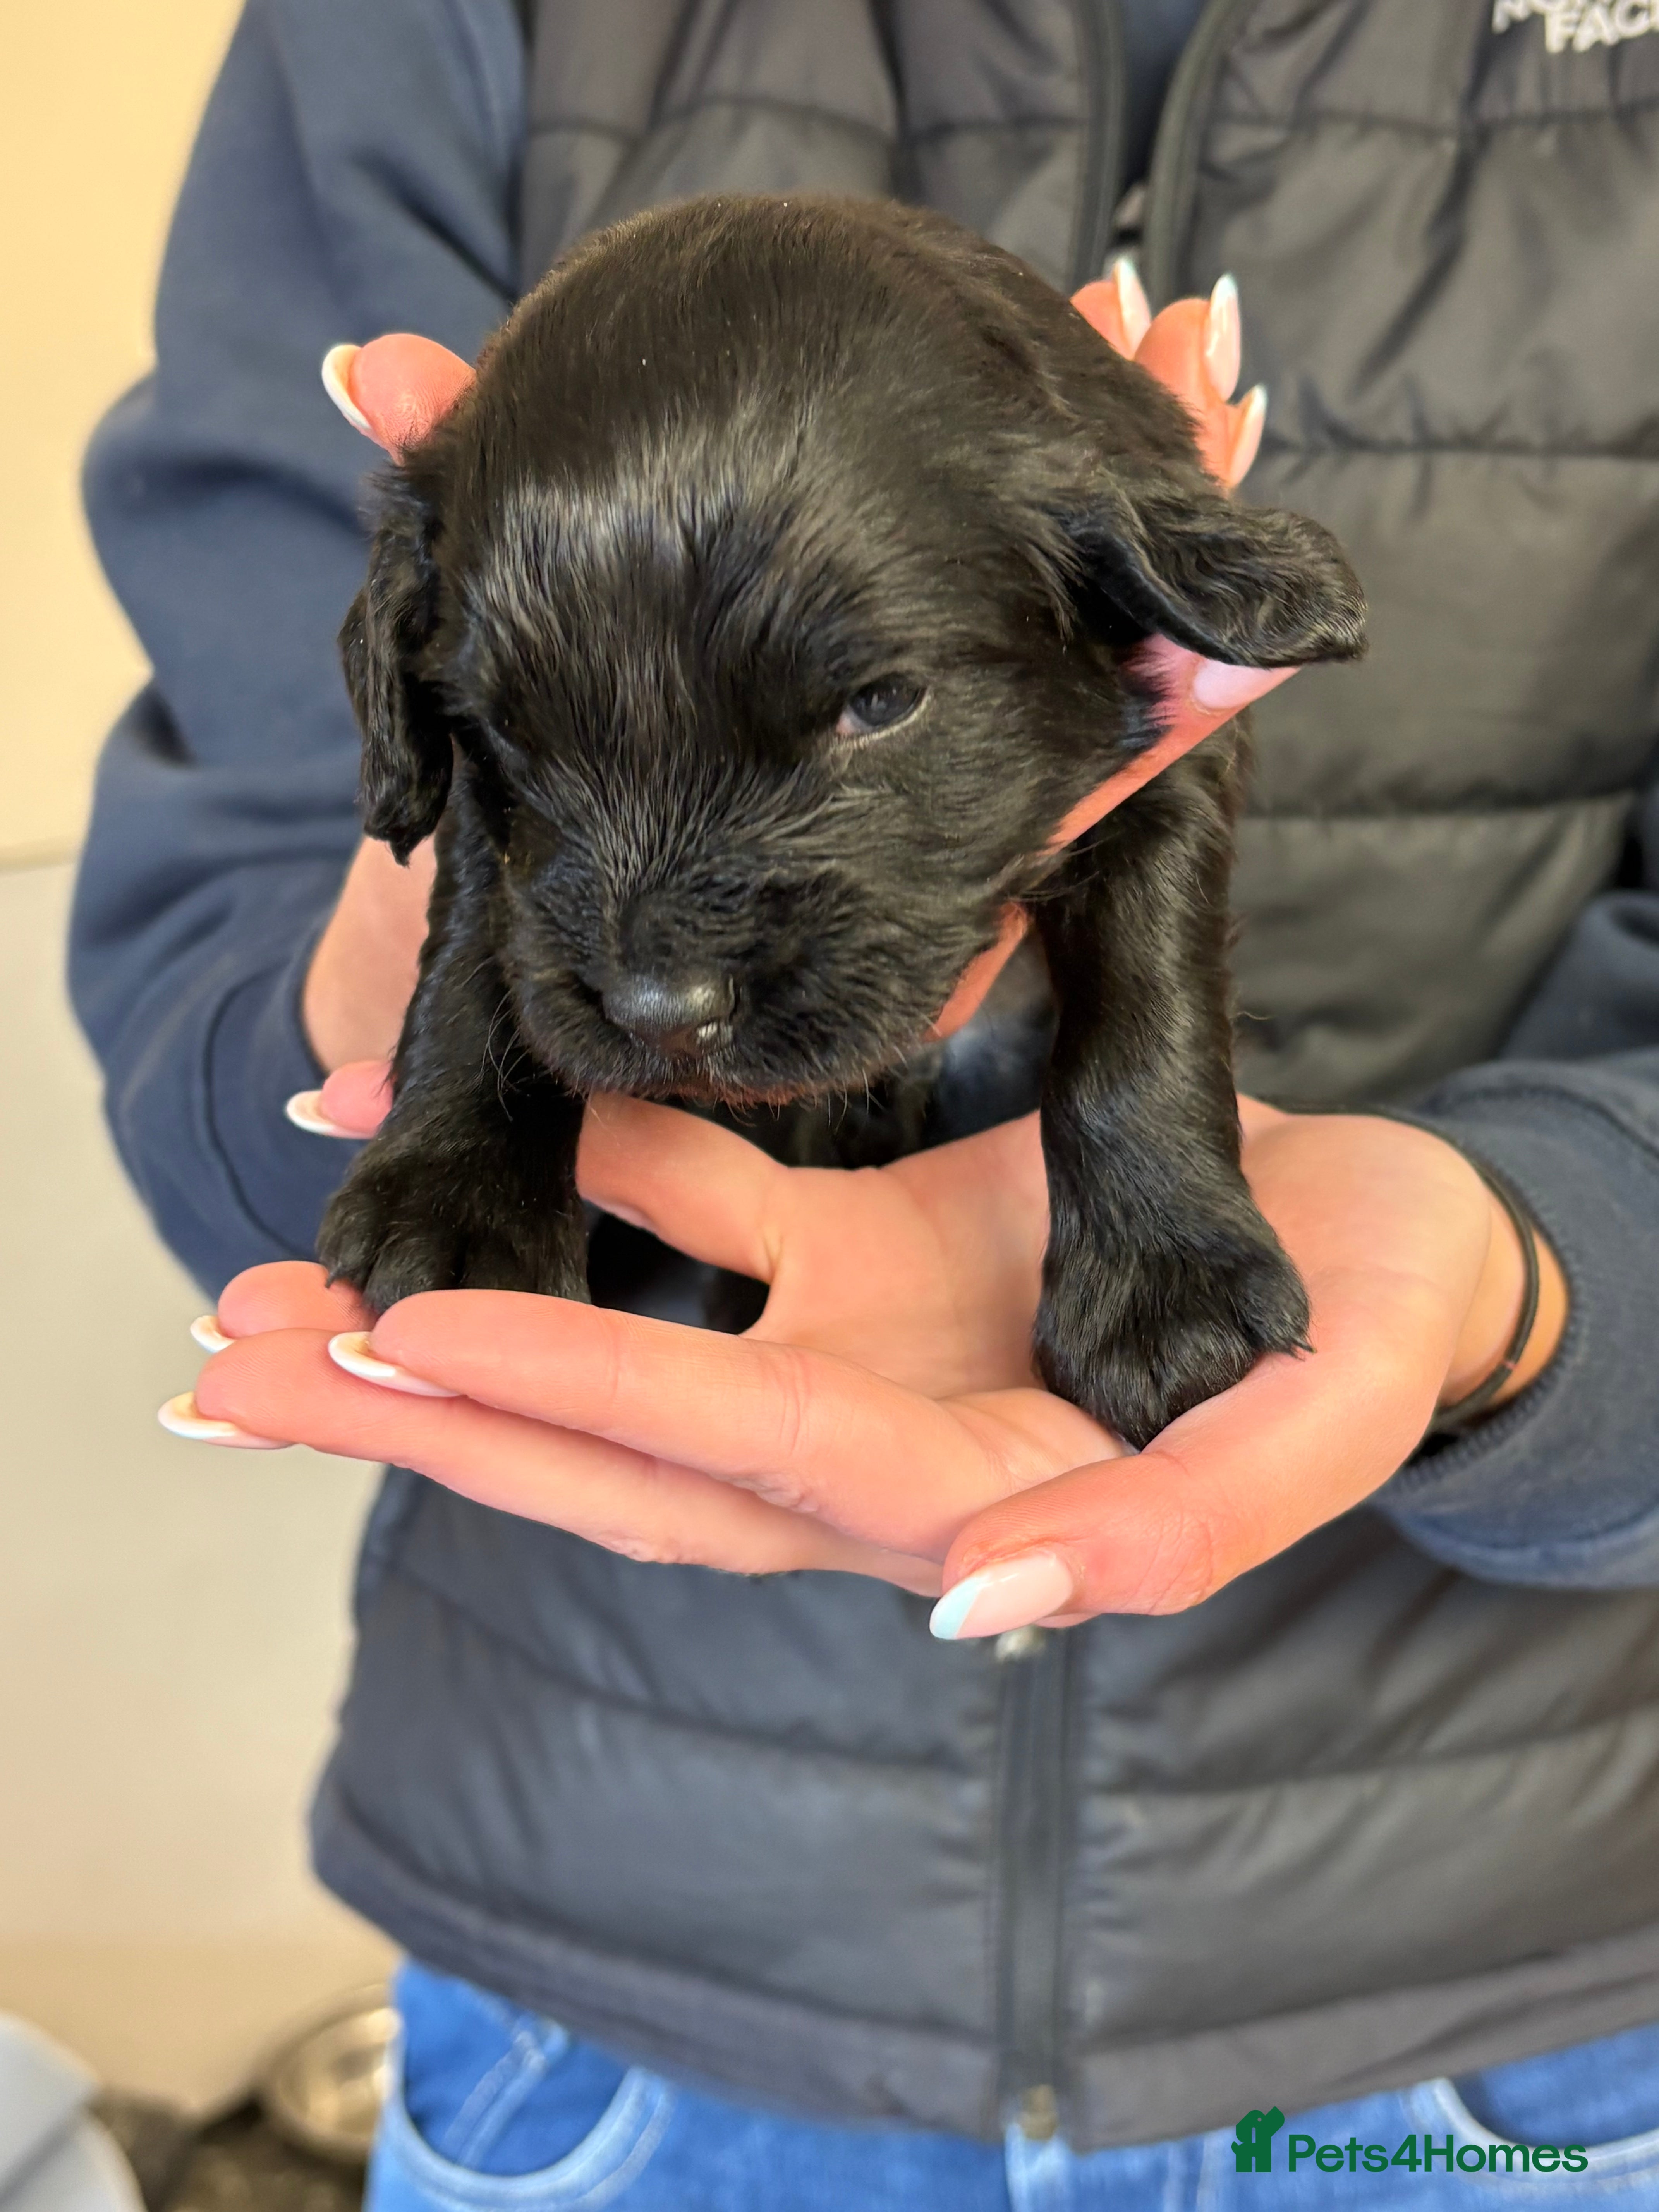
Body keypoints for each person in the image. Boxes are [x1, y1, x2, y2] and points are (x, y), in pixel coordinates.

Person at [69, 0, 1659, 2204]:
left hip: (1517, 1995)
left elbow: (1167, 787)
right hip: (610, 1970)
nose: (671, 979)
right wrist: (370, 1085)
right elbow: (333, 869)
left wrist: (1528, 1280)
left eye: (864, 703)